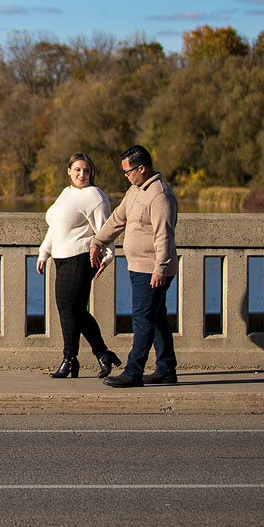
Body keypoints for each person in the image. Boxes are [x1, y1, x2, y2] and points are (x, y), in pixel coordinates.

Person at [89, 144, 179, 387]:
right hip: (138, 267)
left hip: (152, 269)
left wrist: (160, 268)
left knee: (142, 319)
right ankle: (166, 369)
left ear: (142, 167)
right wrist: (98, 241)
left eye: (128, 172)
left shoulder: (160, 196)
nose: (126, 176)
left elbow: (164, 236)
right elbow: (118, 218)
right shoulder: (136, 190)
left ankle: (133, 371)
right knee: (156, 317)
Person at [37, 153, 122, 378]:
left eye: (86, 171)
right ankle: (102, 354)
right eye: (77, 170)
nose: (81, 174)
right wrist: (44, 253)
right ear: (69, 171)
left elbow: (105, 229)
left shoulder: (95, 196)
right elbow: (55, 226)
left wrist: (108, 255)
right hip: (61, 258)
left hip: (82, 258)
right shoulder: (66, 193)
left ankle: (69, 359)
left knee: (70, 309)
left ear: (91, 173)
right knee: (72, 310)